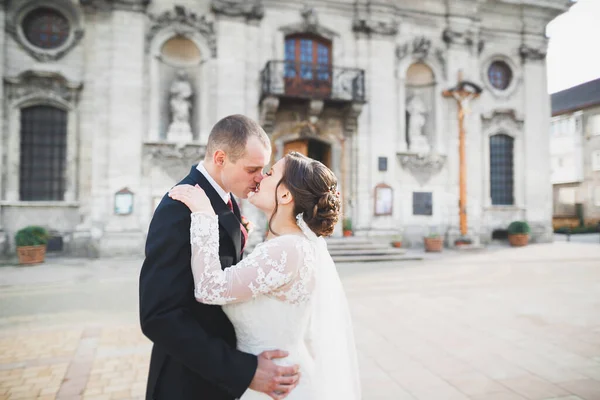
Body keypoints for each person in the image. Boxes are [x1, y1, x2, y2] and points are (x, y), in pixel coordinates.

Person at [168, 151, 361, 399]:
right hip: (271, 377)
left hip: (278, 385)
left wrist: (204, 215)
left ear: (284, 194)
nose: (260, 177)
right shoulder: (291, 245)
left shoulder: (288, 249)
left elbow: (209, 289)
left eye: (269, 173)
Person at [140, 114, 300, 400]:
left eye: (264, 170)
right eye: (253, 169)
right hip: (187, 381)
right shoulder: (179, 208)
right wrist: (242, 370)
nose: (260, 178)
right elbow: (159, 316)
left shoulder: (226, 199)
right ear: (220, 158)